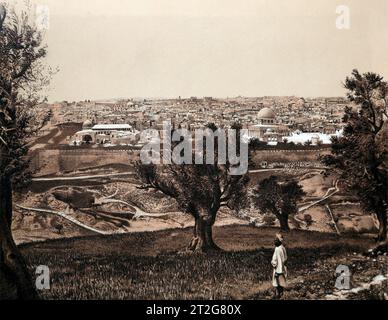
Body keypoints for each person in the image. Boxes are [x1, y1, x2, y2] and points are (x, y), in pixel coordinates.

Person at [271, 233, 287, 299]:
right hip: (283, 268)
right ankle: (280, 294)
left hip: (278, 269)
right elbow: (284, 259)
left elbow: (278, 261)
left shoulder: (277, 249)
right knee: (281, 282)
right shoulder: (282, 247)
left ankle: (278, 295)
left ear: (279, 241)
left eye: (276, 239)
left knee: (278, 283)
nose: (274, 241)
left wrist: (278, 271)